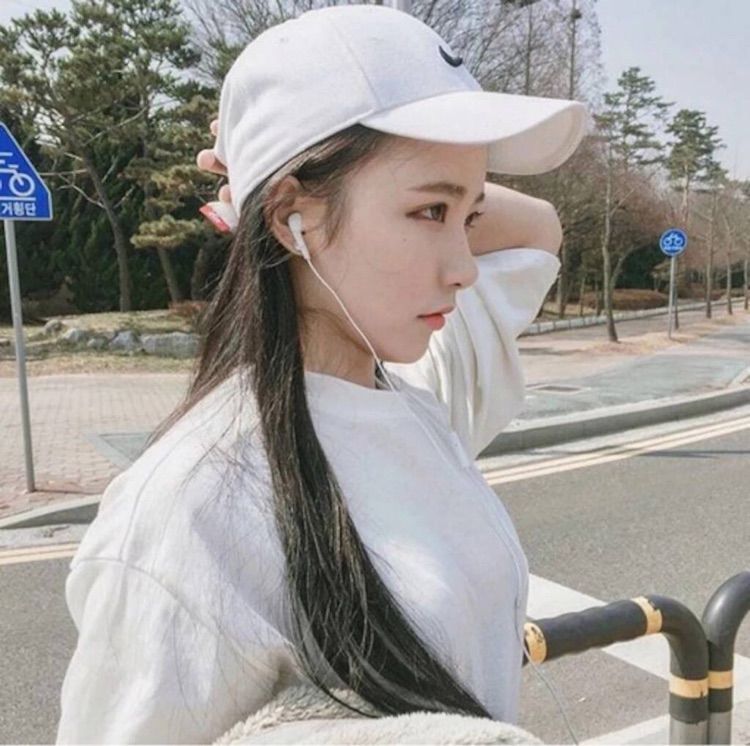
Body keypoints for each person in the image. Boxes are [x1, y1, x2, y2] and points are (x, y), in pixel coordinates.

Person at [56, 4, 588, 744]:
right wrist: (268, 176)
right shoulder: (190, 512)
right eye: (430, 212)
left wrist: (273, 177)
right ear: (291, 220)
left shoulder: (417, 404)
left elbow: (538, 229)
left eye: (469, 218)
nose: (466, 269)